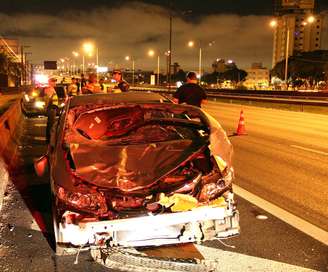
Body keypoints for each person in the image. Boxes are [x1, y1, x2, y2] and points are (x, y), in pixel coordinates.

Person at [44, 77, 59, 143]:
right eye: (53, 81)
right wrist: (46, 108)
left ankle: (49, 138)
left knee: (50, 123)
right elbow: (48, 99)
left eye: (55, 81)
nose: (55, 83)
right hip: (51, 108)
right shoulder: (50, 89)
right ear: (50, 82)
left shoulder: (52, 89)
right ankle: (49, 139)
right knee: (51, 124)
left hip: (52, 108)